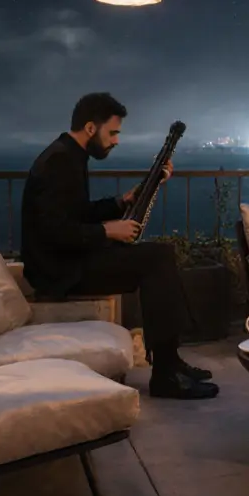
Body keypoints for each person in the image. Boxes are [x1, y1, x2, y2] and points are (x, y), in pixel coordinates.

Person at [20, 92, 218, 400]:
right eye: (112, 132)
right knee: (156, 260)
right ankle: (165, 374)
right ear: (90, 128)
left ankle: (170, 361)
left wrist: (122, 201)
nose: (116, 141)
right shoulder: (59, 161)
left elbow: (77, 214)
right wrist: (107, 232)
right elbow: (52, 232)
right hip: (59, 271)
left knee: (158, 256)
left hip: (69, 260)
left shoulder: (69, 155)